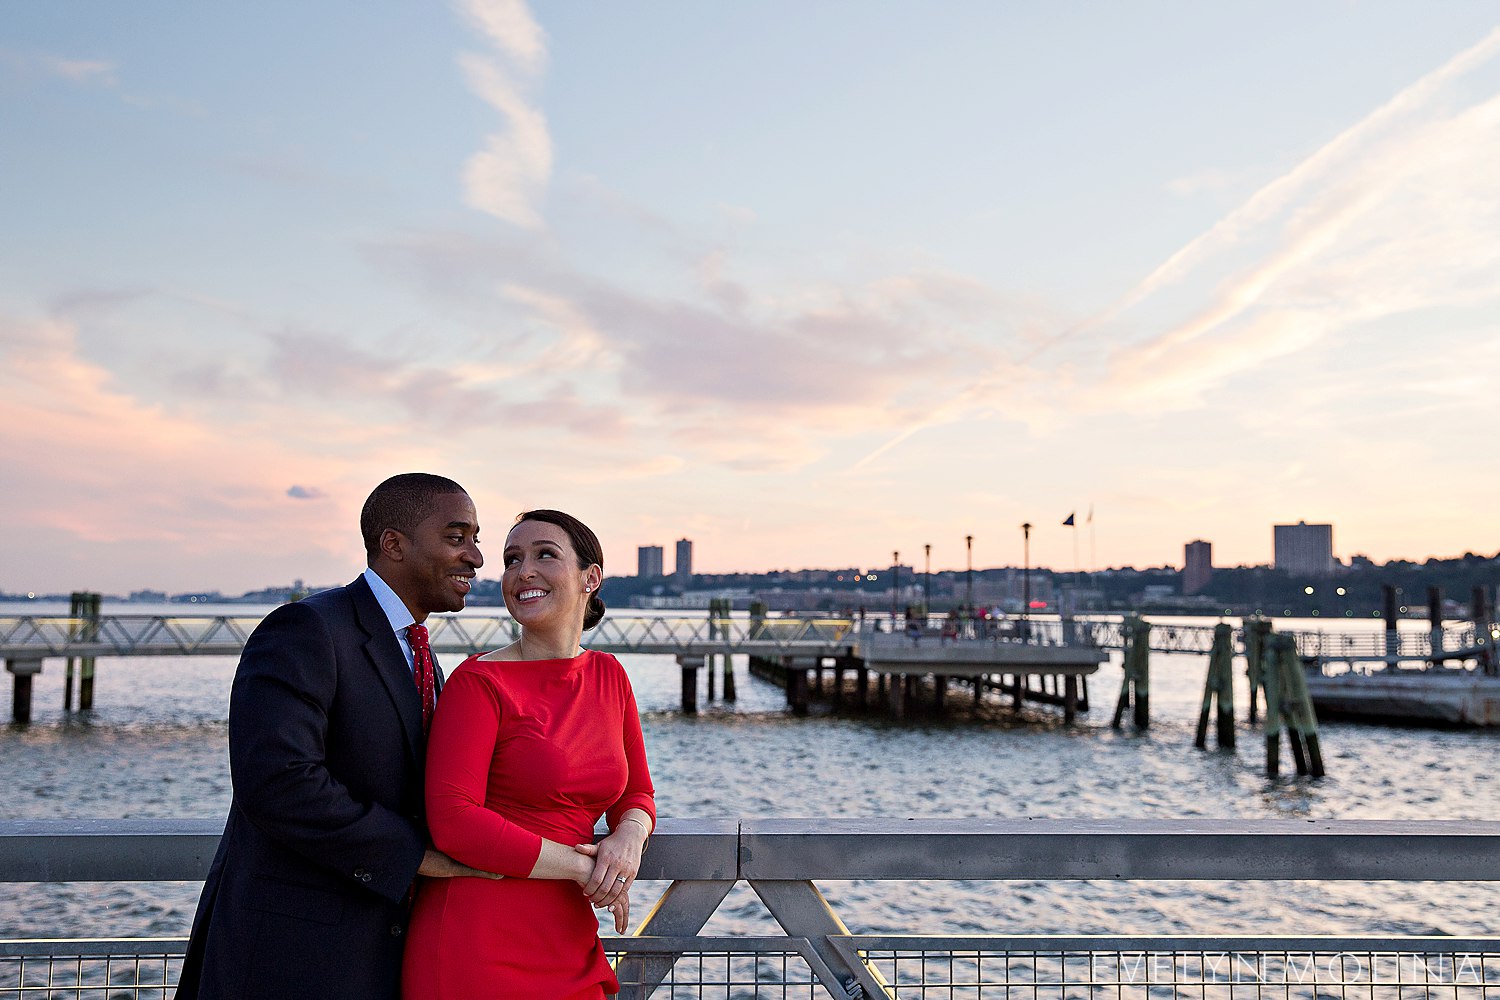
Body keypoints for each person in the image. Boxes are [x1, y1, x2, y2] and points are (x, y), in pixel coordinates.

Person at [176, 473, 493, 1000]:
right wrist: (417, 856)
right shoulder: (305, 629)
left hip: (379, 957)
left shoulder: (421, 654)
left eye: (476, 539)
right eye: (457, 537)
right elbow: (277, 784)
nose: (476, 558)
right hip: (289, 959)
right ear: (393, 544)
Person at [402, 509, 655, 1000]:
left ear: (591, 578)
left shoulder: (610, 676)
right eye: (512, 559)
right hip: (477, 939)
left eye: (545, 555)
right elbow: (454, 821)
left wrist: (628, 837)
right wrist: (585, 868)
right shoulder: (479, 683)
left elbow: (637, 792)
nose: (524, 571)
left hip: (570, 933)